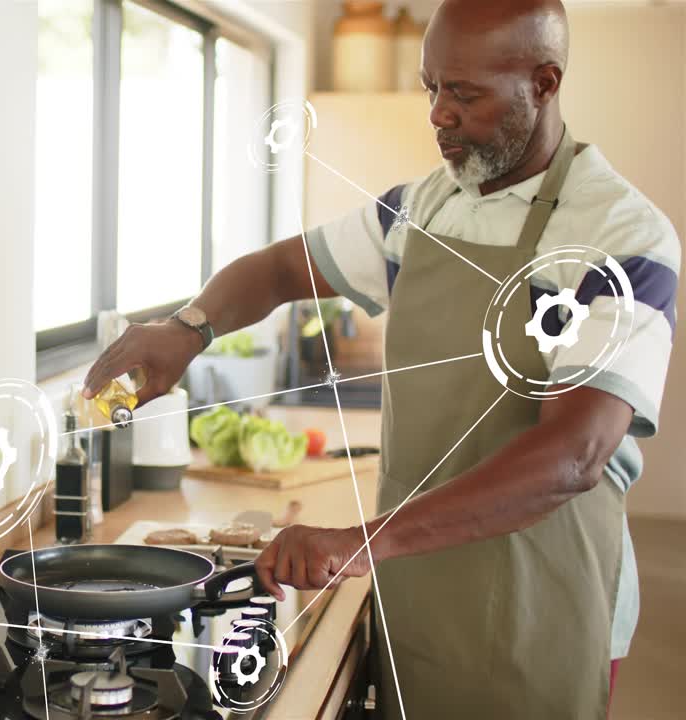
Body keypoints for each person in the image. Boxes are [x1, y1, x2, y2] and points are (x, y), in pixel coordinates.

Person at [81, 0, 679, 717]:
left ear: (544, 83)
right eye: (432, 88)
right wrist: (187, 328)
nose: (439, 115)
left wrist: (359, 543)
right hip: (415, 585)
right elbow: (278, 271)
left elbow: (574, 453)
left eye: (465, 93)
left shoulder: (622, 234)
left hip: (542, 602)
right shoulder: (421, 209)